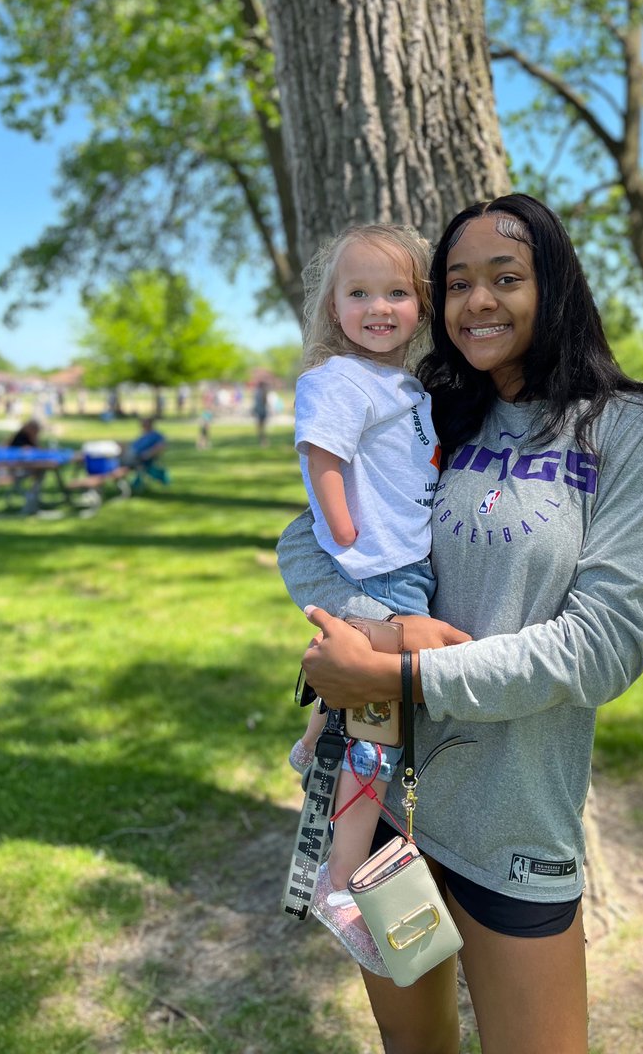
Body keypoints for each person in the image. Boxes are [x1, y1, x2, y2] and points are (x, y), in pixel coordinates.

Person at [277, 194, 643, 1054]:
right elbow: (305, 543)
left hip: (514, 826)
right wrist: (386, 635)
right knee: (417, 1048)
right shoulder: (428, 410)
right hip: (385, 809)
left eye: (506, 278)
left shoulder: (637, 431)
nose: (478, 302)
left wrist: (401, 674)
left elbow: (605, 645)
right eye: (458, 283)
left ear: (558, 287)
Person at [287, 221, 441, 975]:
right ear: (333, 305)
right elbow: (323, 451)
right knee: (378, 746)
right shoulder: (337, 379)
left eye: (397, 293)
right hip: (377, 571)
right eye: (359, 293)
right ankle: (341, 882)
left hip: (404, 569)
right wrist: (338, 523)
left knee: (361, 714)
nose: (378, 308)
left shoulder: (405, 385)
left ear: (420, 305)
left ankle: (316, 740)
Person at [120, 417, 169, 488]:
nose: (143, 425)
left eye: (145, 424)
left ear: (151, 424)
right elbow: (133, 446)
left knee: (120, 465)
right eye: (142, 424)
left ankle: (122, 483)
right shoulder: (142, 436)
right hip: (132, 456)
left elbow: (161, 446)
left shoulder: (156, 435)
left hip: (140, 458)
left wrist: (149, 454)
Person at [253, 380, 269, 446]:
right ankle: (263, 441)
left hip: (260, 411)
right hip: (262, 411)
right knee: (262, 427)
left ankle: (262, 440)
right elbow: (265, 401)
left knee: (260, 427)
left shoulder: (257, 392)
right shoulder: (263, 392)